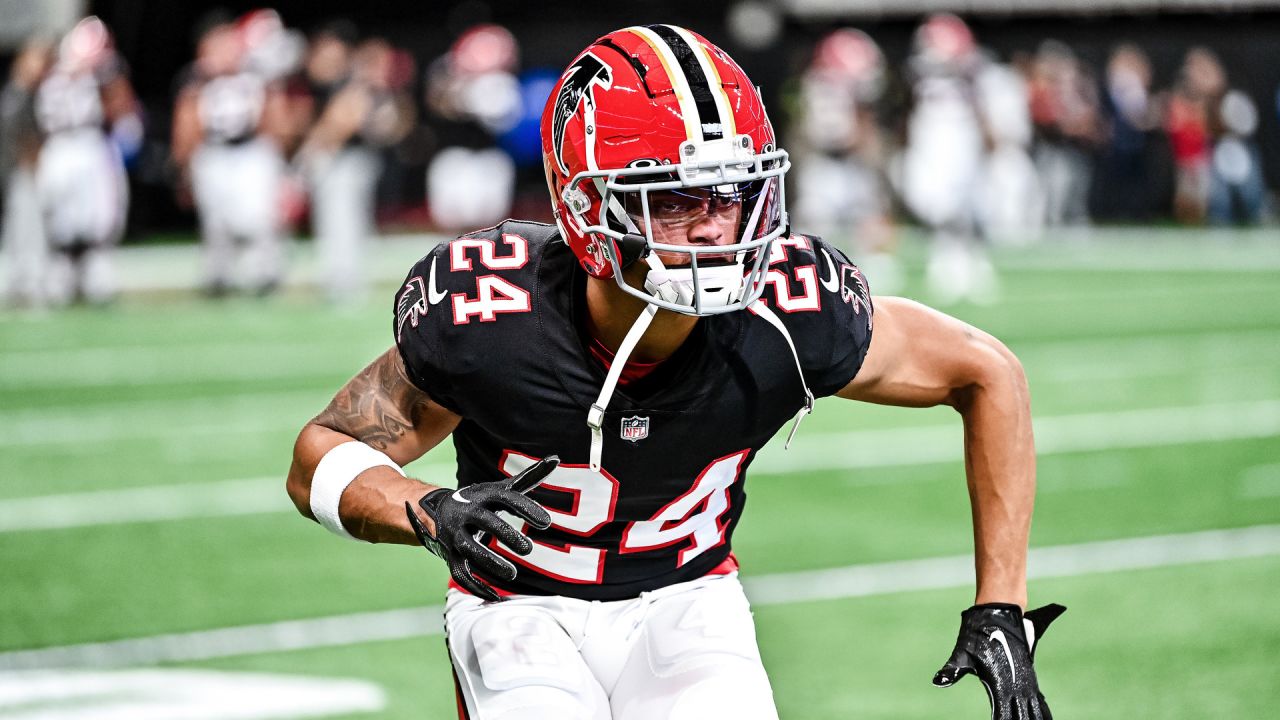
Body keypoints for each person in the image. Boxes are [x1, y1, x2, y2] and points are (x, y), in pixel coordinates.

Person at [286, 25, 1062, 720]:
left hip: (691, 602)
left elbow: (987, 373)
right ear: (588, 206)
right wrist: (425, 508)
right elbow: (319, 453)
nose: (717, 227)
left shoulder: (791, 312)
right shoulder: (494, 317)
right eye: (677, 197)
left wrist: (1003, 606)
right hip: (517, 610)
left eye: (734, 191)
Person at [33, 16, 139, 306]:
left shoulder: (52, 70)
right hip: (75, 146)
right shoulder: (55, 70)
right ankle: (66, 277)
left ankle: (86, 277)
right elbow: (121, 105)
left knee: (94, 216)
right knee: (70, 217)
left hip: (67, 148)